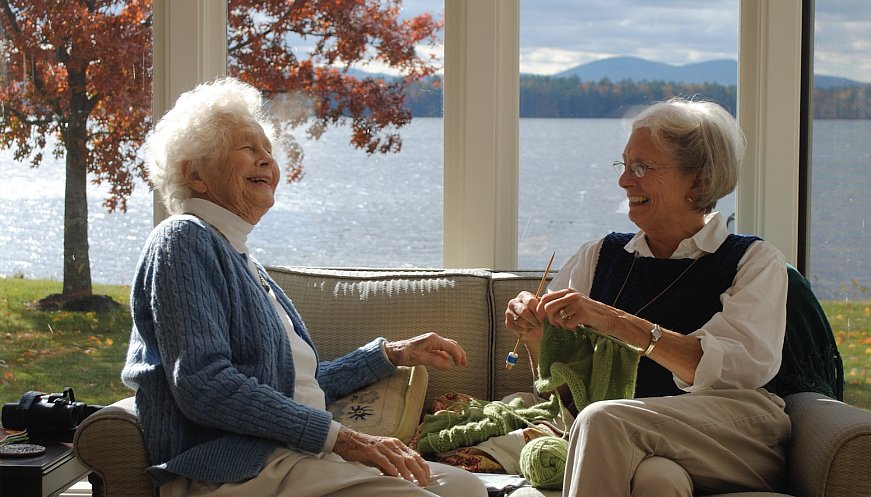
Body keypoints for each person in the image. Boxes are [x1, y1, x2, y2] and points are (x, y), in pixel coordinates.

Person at [121, 77, 487, 497]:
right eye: (247, 148)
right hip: (233, 470)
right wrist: (345, 439)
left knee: (465, 488)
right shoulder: (183, 239)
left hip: (289, 457)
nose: (267, 162)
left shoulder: (239, 258)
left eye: (268, 152)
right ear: (195, 174)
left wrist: (390, 355)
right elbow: (205, 385)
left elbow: (288, 387)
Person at [505, 97, 791, 497]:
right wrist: (537, 333)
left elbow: (735, 372)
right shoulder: (600, 255)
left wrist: (614, 321)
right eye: (623, 166)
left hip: (731, 434)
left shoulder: (754, 261)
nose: (624, 181)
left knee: (603, 420)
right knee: (657, 480)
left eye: (641, 168)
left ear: (699, 180)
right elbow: (564, 383)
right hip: (638, 436)